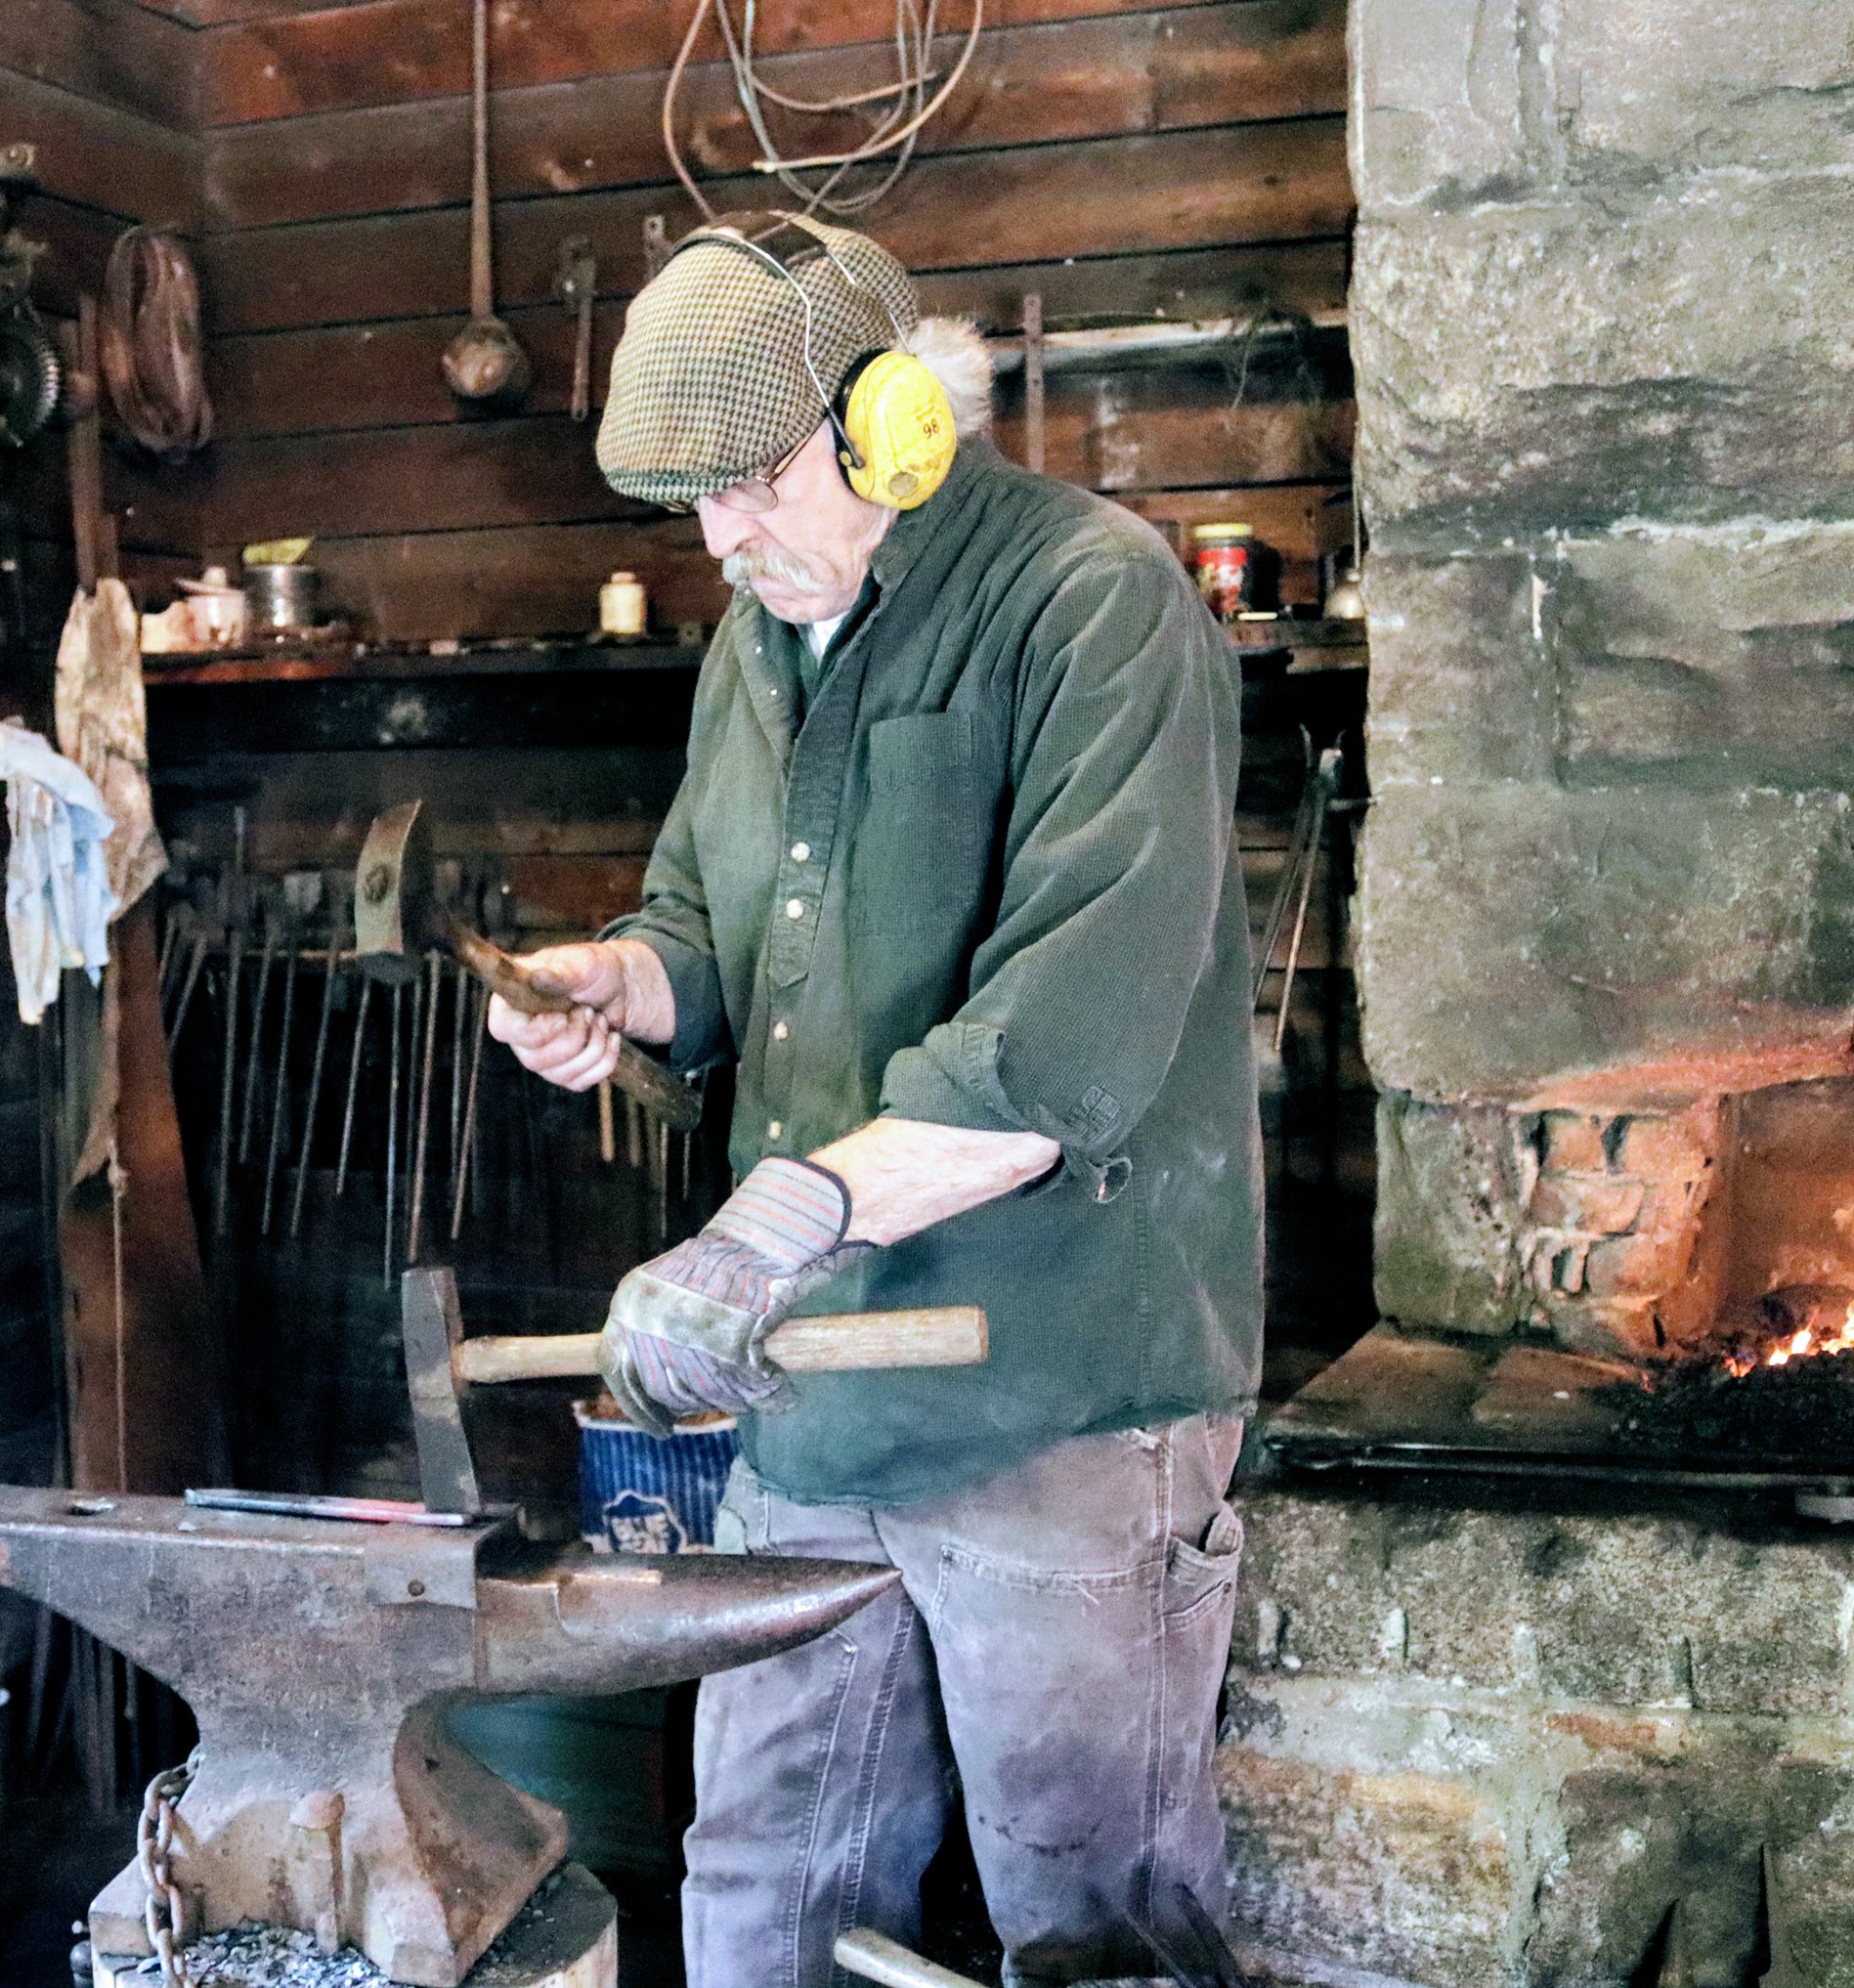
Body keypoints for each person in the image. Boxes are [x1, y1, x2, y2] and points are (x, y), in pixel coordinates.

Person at [488, 211, 1262, 1988]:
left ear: (890, 421)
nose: (721, 537)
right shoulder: (753, 643)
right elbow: (711, 923)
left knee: (1095, 1919)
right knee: (764, 1883)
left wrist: (763, 1227)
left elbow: (1060, 1048)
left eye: (752, 480)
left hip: (1062, 1397)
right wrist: (630, 980)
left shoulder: (1096, 603)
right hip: (815, 1395)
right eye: (691, 501)